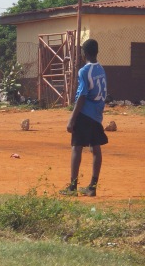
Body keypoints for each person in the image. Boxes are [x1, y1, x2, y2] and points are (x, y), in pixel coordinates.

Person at [60, 39, 108, 197]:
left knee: (76, 147)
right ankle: (92, 186)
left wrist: (72, 119)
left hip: (84, 113)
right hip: (96, 115)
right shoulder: (101, 69)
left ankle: (72, 187)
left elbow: (81, 96)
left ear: (84, 53)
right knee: (96, 148)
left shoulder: (84, 71)